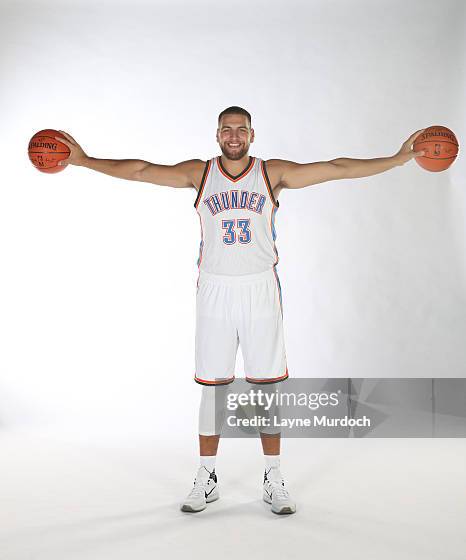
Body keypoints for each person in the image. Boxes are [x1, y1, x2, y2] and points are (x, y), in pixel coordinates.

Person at [56, 107, 425, 515]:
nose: (234, 136)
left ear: (252, 134)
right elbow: (143, 170)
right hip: (215, 288)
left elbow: (337, 167)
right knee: (213, 387)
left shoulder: (273, 173)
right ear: (217, 134)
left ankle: (272, 476)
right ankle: (207, 476)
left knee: (266, 387)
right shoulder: (201, 173)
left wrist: (398, 158)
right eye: (227, 130)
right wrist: (83, 160)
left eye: (241, 130)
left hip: (259, 288)